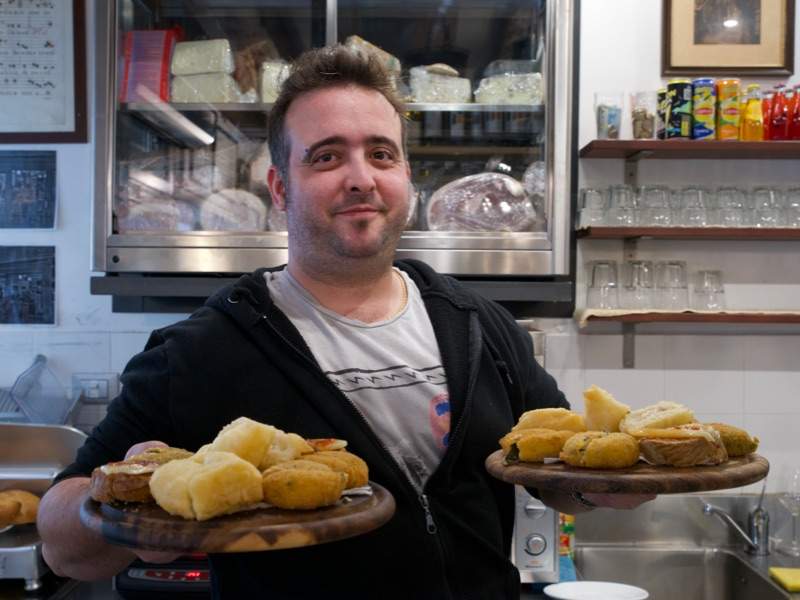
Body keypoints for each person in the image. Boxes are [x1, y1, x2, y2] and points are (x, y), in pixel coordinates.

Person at [38, 45, 652, 599]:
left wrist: (607, 486)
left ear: (405, 178)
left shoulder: (479, 325)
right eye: (327, 156)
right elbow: (61, 544)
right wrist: (131, 503)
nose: (361, 177)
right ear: (280, 188)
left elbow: (556, 479)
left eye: (381, 153)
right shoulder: (203, 348)